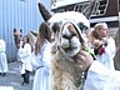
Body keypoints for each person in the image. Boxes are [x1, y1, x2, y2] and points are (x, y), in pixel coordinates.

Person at [31, 22, 52, 90]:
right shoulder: (47, 45)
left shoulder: (38, 44)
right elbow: (47, 62)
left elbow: (32, 59)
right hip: (45, 74)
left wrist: (37, 68)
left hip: (38, 73)